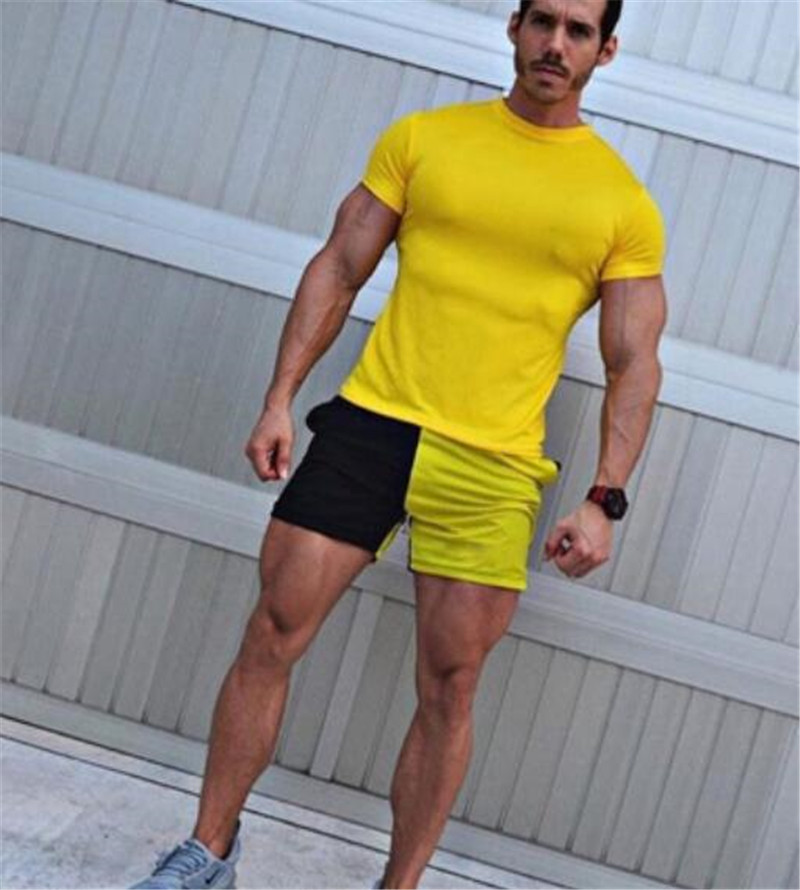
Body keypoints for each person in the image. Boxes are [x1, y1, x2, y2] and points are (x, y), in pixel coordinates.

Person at [130, 0, 667, 887]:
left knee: (450, 687)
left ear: (605, 51)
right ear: (514, 27)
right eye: (543, 21)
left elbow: (633, 362)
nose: (555, 44)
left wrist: (605, 497)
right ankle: (208, 852)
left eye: (578, 31)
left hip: (493, 465)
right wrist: (279, 398)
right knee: (272, 630)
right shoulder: (426, 139)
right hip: (373, 426)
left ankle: (399, 885)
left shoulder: (619, 201)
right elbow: (341, 266)